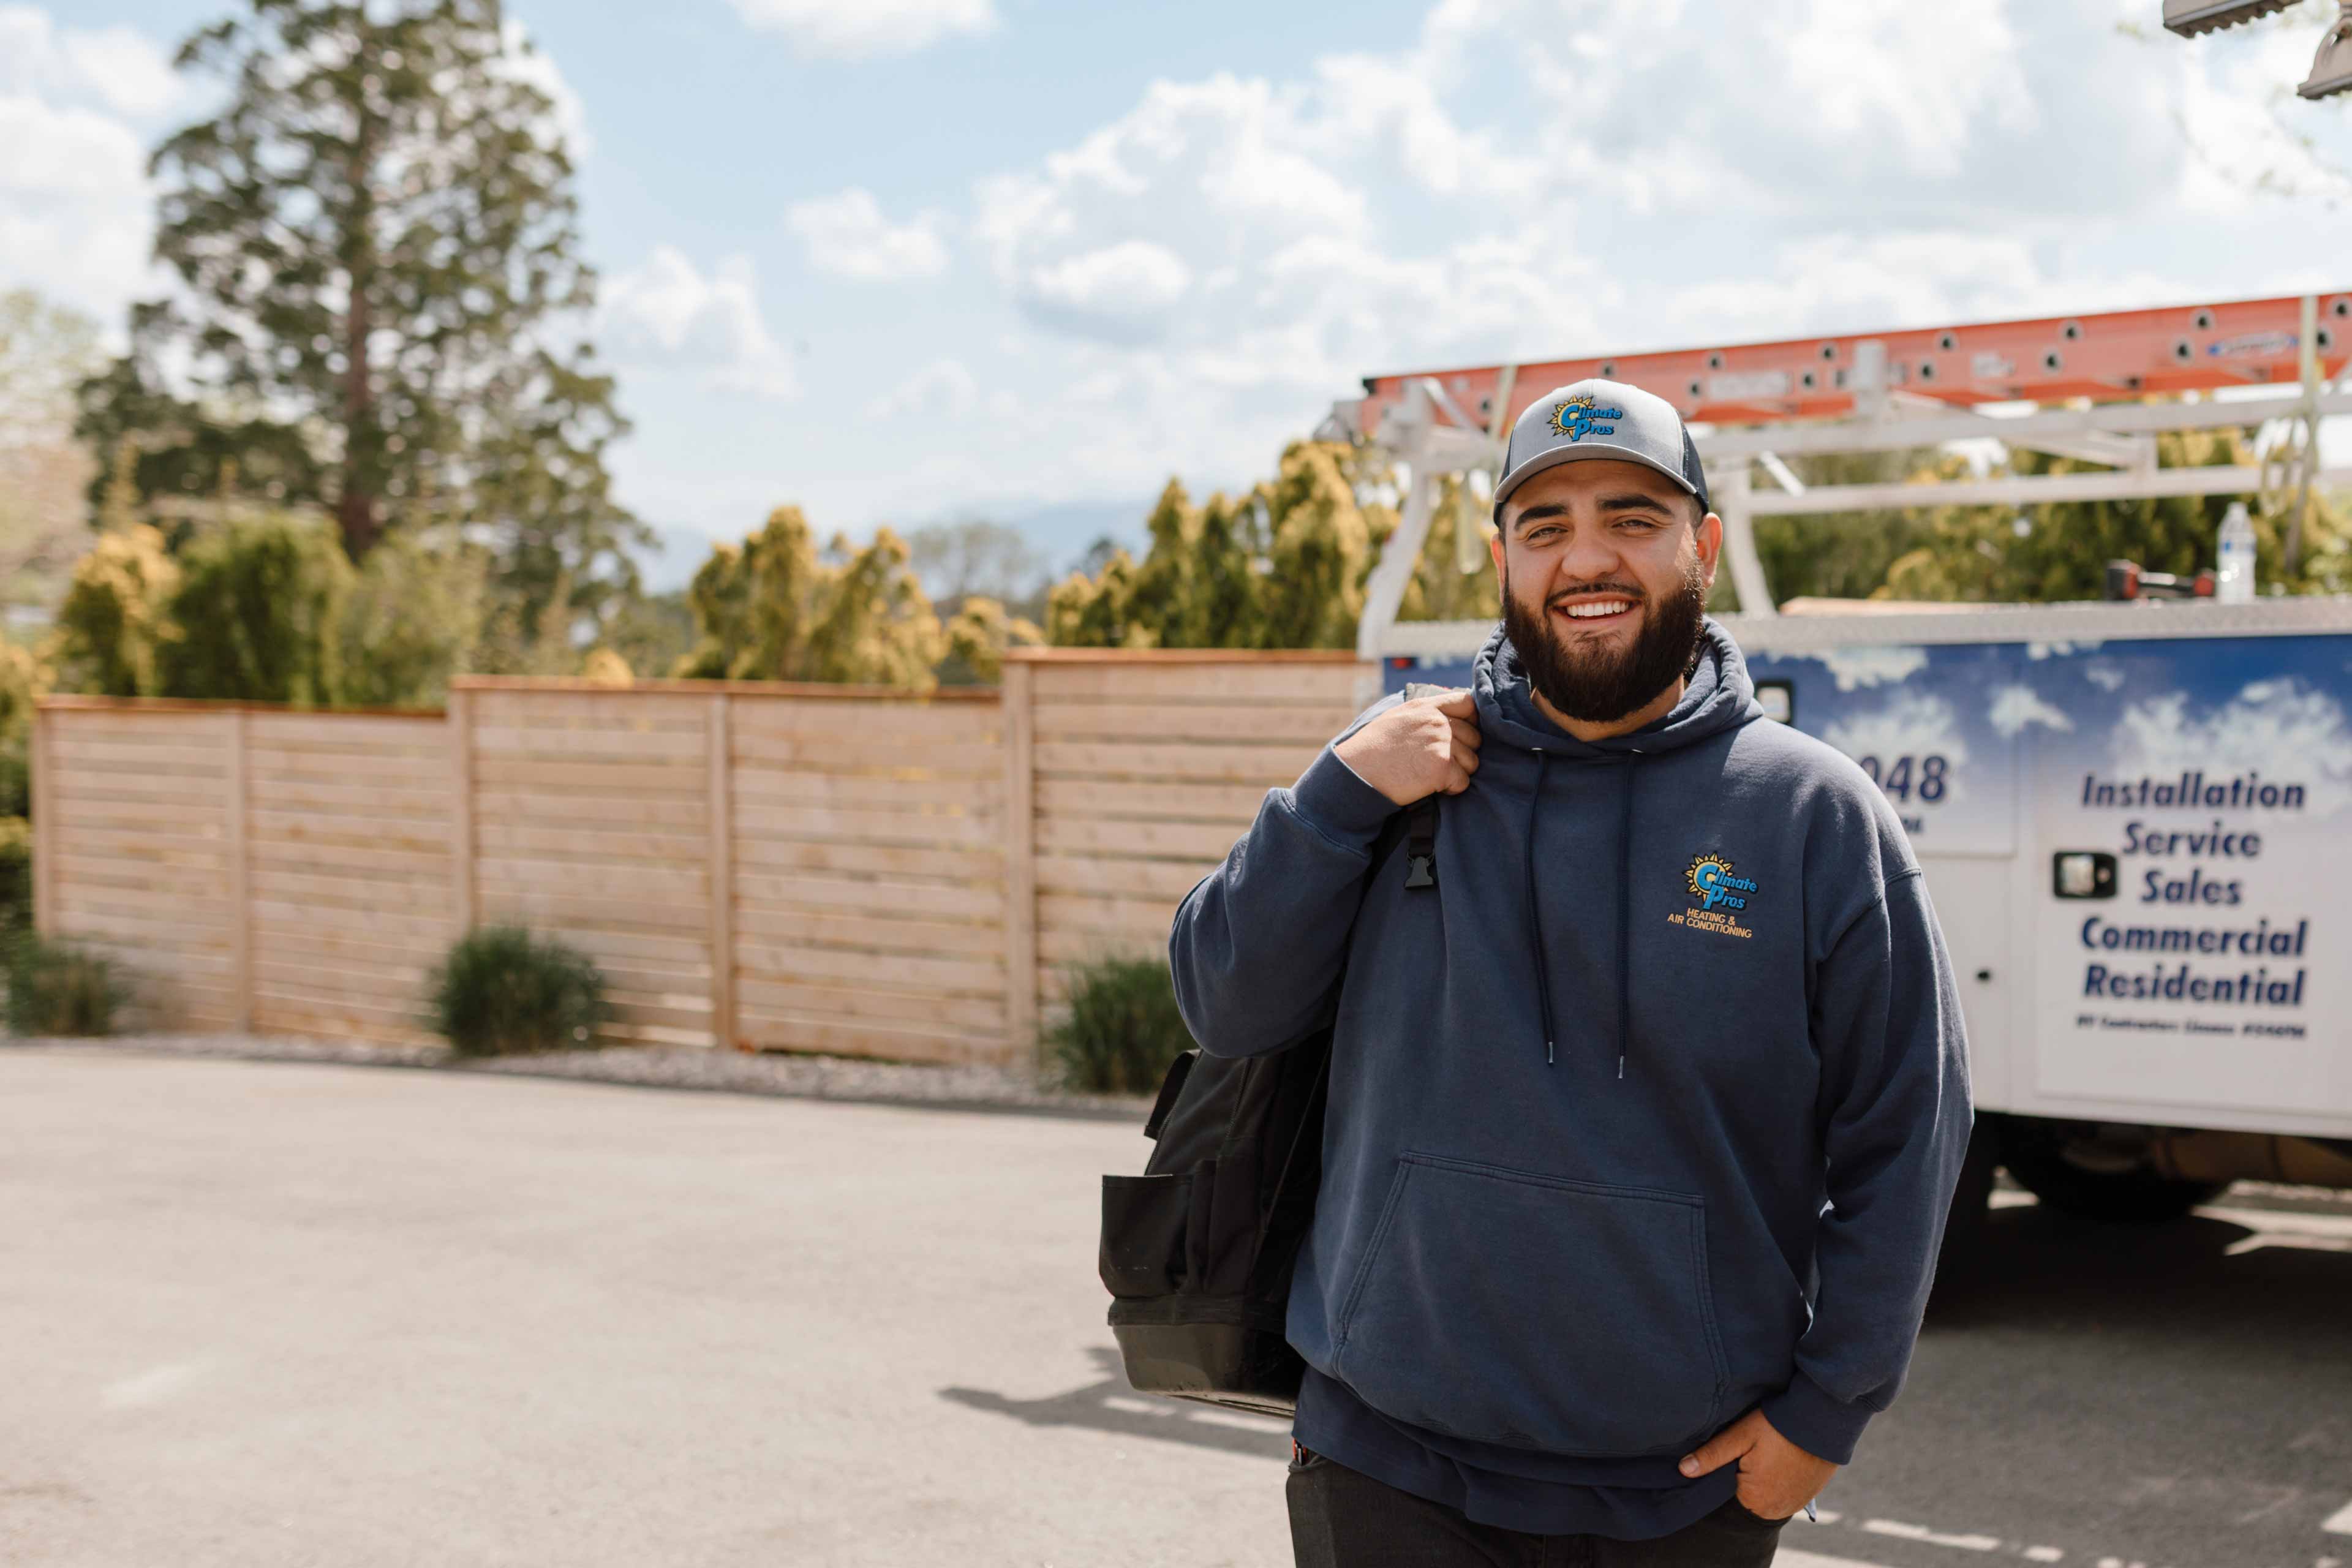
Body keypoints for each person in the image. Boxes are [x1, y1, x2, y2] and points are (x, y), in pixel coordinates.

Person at [1166, 378, 1974, 1567]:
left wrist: (1827, 1411)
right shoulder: (1400, 778)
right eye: (1545, 527)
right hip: (1387, 1467)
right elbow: (1222, 1003)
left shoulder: (1812, 814)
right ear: (1503, 559)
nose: (1586, 556)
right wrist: (1337, 791)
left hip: (1682, 1493)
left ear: (1700, 543)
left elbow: (1907, 1130)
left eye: (1631, 518)